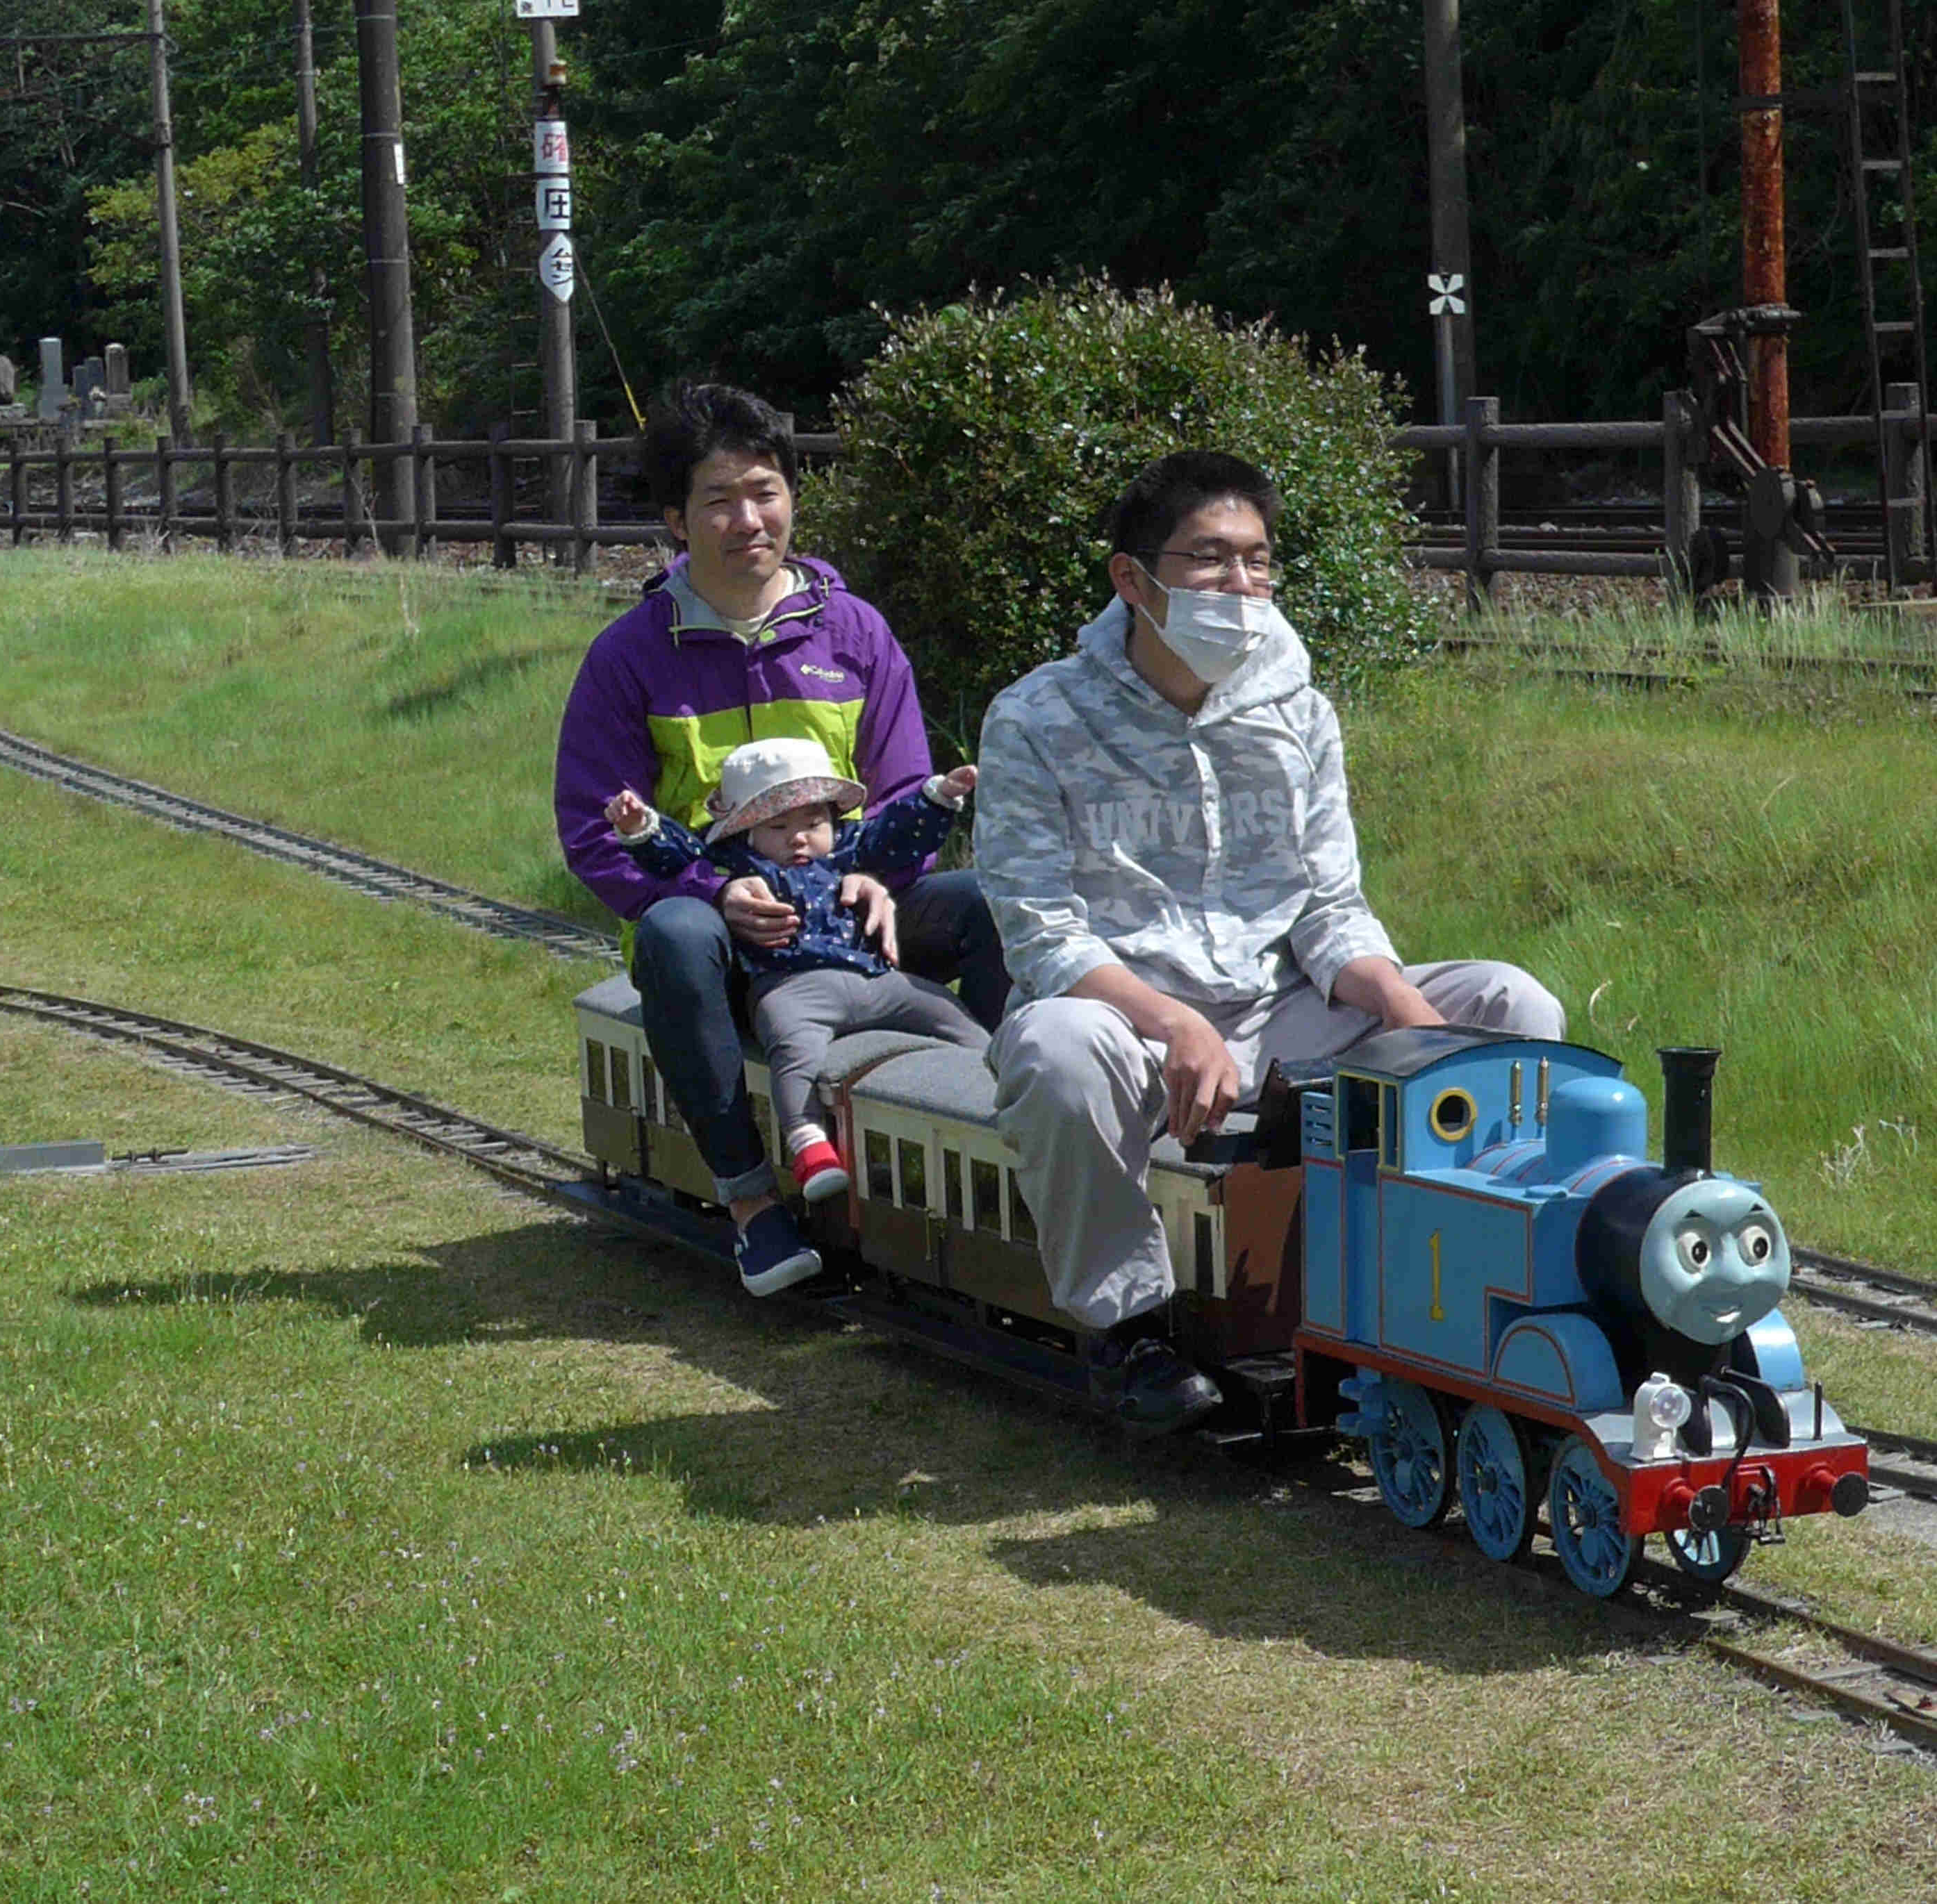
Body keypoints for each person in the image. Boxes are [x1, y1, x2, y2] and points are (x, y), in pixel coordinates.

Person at [975, 449, 1567, 1430]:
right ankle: (1131, 1334)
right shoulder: (1037, 718)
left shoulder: (1298, 711)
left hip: (1285, 1015)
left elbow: (1330, 906)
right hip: (1128, 1028)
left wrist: (1410, 1015)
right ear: (1133, 579)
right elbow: (1040, 934)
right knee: (1052, 1047)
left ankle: (1483, 1283)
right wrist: (1173, 1023)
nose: (1241, 585)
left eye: (1257, 560)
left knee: (1510, 1003)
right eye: (1209, 560)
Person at [554, 381, 1007, 1295]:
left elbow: (904, 793)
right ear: (678, 522)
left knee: (996, 897)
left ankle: (1007, 1140)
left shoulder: (856, 633)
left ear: (794, 496)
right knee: (677, 939)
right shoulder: (629, 655)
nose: (746, 519)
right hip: (722, 933)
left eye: (764, 491)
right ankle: (753, 1206)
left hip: (850, 906)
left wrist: (879, 876)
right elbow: (593, 831)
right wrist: (715, 893)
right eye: (717, 500)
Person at [607, 740, 990, 1291]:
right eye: (778, 827)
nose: (799, 838)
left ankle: (997, 1090)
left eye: (813, 821)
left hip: (877, 980)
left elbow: (896, 832)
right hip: (790, 988)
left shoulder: (850, 851)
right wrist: (642, 826)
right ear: (746, 835)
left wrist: (938, 796)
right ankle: (807, 1141)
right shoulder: (738, 867)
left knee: (954, 1017)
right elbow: (678, 854)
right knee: (794, 1050)